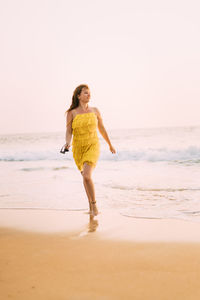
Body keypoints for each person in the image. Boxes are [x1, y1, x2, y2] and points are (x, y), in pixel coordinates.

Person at [64, 84, 116, 216]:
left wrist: (110, 144)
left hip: (93, 145)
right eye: (85, 93)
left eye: (89, 93)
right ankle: (90, 207)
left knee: (87, 175)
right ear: (78, 96)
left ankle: (94, 206)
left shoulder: (95, 110)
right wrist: (67, 143)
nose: (89, 95)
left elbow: (102, 129)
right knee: (85, 178)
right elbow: (69, 131)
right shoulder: (72, 113)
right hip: (78, 148)